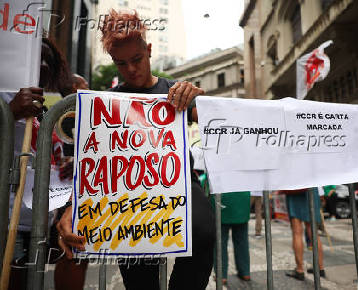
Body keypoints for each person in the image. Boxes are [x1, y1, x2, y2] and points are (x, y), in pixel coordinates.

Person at [56, 9, 215, 290]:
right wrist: (73, 208)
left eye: (137, 59)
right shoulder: (105, 104)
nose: (130, 69)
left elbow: (219, 121)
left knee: (203, 231)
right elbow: (93, 164)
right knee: (139, 276)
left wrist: (198, 98)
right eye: (121, 63)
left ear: (149, 50)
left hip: (181, 193)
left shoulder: (175, 92)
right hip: (132, 208)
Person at [2, 37, 73, 290]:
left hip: (37, 226)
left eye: (47, 59)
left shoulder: (44, 111)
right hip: (7, 224)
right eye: (34, 58)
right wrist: (10, 113)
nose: (42, 65)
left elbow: (45, 161)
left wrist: (65, 166)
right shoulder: (5, 97)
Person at [53, 74, 89, 290]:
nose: (88, 88)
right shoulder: (70, 115)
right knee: (72, 251)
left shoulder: (60, 112)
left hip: (68, 191)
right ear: (76, 87)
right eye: (85, 85)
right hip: (66, 192)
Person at [279, 189, 325, 281]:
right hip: (311, 190)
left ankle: (299, 270)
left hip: (295, 191)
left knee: (297, 232)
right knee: (313, 232)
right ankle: (320, 268)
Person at [212, 191, 251, 285]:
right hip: (242, 200)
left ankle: (221, 275)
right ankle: (245, 272)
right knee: (242, 241)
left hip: (222, 200)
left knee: (219, 242)